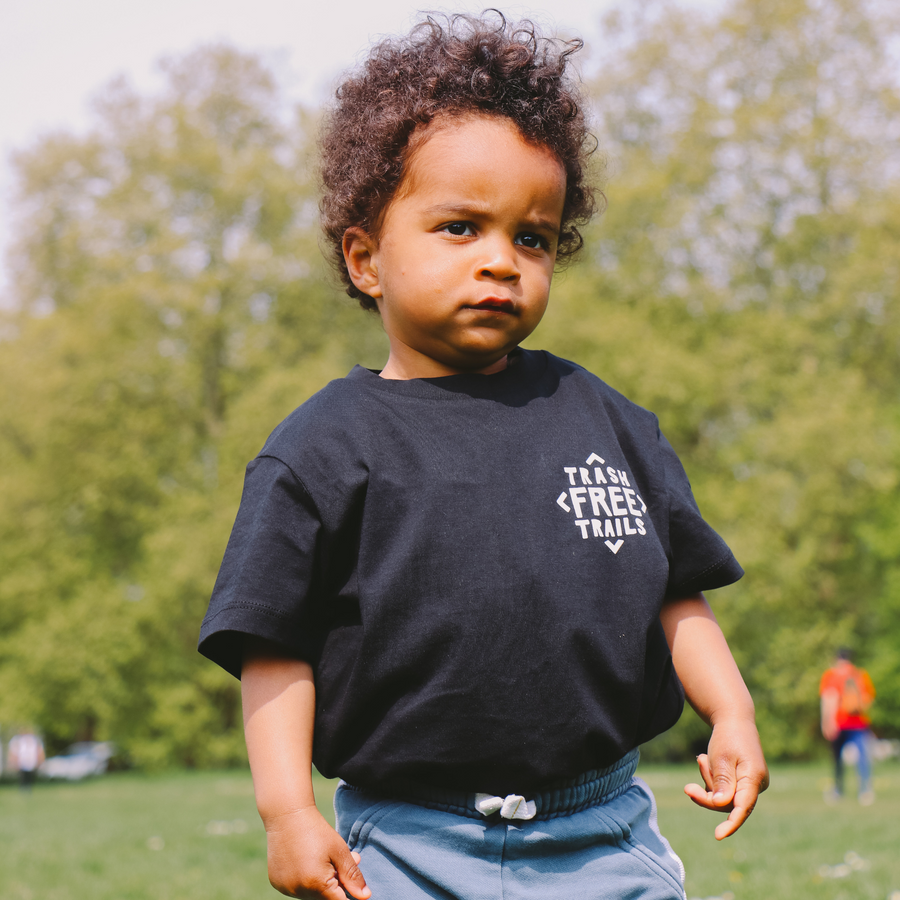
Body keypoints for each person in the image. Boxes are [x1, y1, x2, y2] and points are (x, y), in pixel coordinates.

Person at [199, 13, 768, 900]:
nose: (501, 261)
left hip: (605, 834)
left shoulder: (605, 421)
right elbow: (273, 645)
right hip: (406, 842)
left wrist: (730, 711)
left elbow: (674, 591)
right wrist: (287, 812)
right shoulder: (319, 448)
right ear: (365, 259)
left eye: (532, 237)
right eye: (460, 228)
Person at [820, 648, 876, 805]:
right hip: (859, 723)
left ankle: (837, 790)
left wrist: (826, 722)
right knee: (863, 758)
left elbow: (828, 698)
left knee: (837, 759)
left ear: (836, 658)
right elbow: (868, 699)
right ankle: (865, 791)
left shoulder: (831, 675)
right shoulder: (859, 675)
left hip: (838, 723)